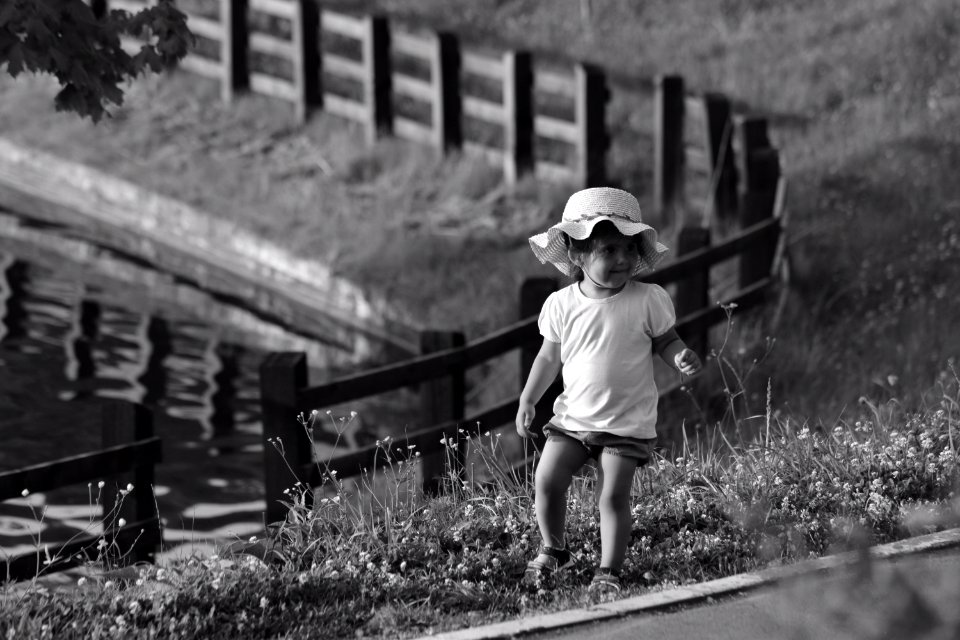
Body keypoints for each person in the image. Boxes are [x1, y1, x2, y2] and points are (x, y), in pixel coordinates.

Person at [516, 186, 702, 593]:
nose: (622, 260)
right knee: (546, 480)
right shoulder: (562, 305)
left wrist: (681, 355)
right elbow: (549, 358)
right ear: (578, 256)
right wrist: (529, 398)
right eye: (608, 251)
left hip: (625, 424)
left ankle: (608, 571)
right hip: (573, 419)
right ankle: (554, 548)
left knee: (612, 497)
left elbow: (666, 342)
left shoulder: (647, 299)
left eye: (628, 249)